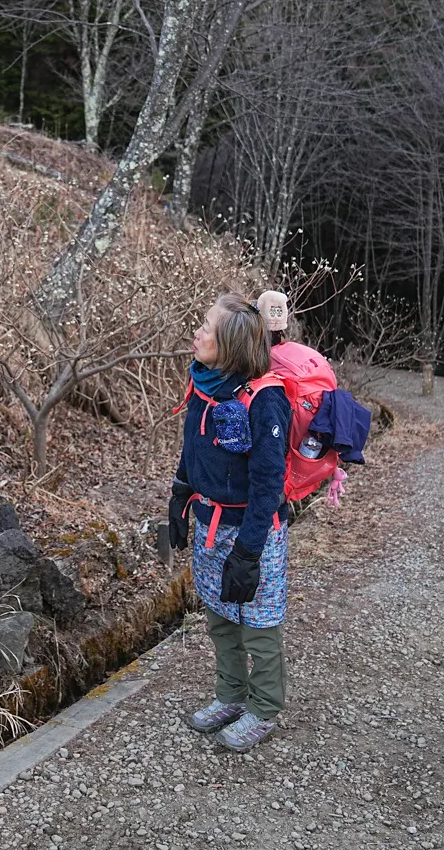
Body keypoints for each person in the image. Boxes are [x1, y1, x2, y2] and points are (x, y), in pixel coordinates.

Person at [168, 293, 292, 752]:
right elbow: (192, 446)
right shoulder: (204, 383)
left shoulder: (265, 400)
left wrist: (249, 550)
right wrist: (180, 495)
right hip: (210, 523)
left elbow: (268, 482)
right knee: (220, 617)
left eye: (207, 328)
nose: (197, 333)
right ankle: (231, 696)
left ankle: (265, 708)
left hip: (254, 530)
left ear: (231, 346)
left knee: (258, 624)